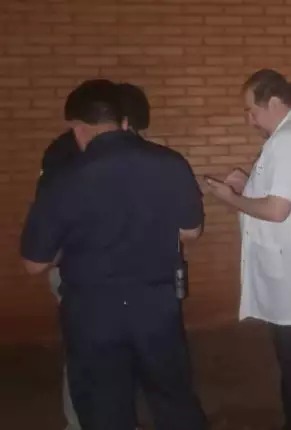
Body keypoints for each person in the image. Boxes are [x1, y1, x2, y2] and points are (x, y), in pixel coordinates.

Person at [21, 79, 207, 430]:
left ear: (78, 128)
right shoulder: (170, 163)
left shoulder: (64, 177)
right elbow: (191, 231)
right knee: (174, 400)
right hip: (156, 307)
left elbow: (34, 263)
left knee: (104, 408)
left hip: (93, 312)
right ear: (123, 122)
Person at [202, 69, 291, 430]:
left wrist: (231, 199)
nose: (249, 120)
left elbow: (277, 210)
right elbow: (288, 197)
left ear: (274, 102)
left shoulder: (287, 140)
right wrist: (248, 186)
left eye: (252, 110)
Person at [39, 82, 152, 430]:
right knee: (85, 357)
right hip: (78, 272)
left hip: (114, 270)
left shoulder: (89, 152)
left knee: (113, 354)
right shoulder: (67, 154)